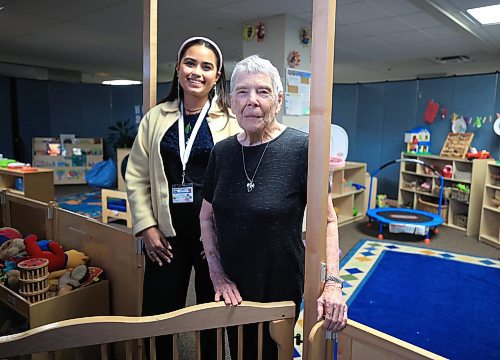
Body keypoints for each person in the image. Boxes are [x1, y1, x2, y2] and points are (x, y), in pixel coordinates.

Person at [200, 55, 348, 359]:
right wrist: (217, 274)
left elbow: (329, 221)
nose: (251, 101)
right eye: (242, 91)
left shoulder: (303, 148)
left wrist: (332, 283)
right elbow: (206, 215)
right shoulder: (222, 153)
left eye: (263, 91)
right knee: (240, 350)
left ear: (278, 100)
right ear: (230, 100)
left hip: (280, 283)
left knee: (272, 353)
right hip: (232, 287)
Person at [126, 36, 240, 359]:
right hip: (165, 238)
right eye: (190, 63)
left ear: (217, 76)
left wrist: (222, 238)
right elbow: (136, 175)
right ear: (177, 69)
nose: (197, 72)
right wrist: (146, 227)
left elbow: (235, 186)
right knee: (159, 316)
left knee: (210, 317)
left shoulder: (230, 124)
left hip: (211, 242)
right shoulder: (155, 119)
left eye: (207, 66)